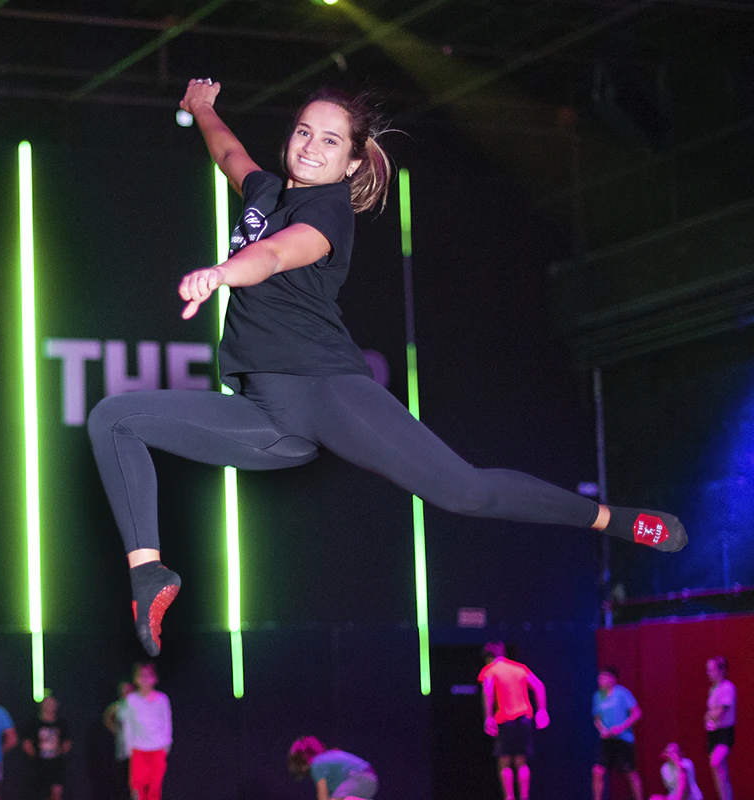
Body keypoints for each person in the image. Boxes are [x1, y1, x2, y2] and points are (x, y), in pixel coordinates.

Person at [86, 77, 688, 657]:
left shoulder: (327, 215)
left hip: (328, 392)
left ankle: (614, 519)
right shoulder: (266, 193)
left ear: (351, 162)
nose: (311, 146)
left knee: (467, 493)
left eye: (329, 140)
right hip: (266, 416)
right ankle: (149, 575)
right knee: (114, 419)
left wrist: (221, 272)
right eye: (303, 132)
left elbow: (272, 256)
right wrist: (203, 106)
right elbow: (229, 152)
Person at [478, 642, 549, 800]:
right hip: (524, 718)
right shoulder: (519, 668)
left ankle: (509, 797)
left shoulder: (490, 670)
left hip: (505, 718)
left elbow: (488, 691)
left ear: (488, 658)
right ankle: (524, 797)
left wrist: (488, 716)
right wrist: (542, 710)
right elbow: (538, 685)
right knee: (521, 761)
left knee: (504, 762)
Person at [592, 666, 644, 800]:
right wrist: (602, 729)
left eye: (604, 677)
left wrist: (621, 728)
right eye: (600, 677)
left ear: (612, 679)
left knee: (630, 772)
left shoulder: (622, 693)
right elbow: (597, 718)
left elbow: (637, 713)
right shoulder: (598, 696)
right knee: (598, 771)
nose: (601, 680)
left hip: (623, 740)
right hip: (607, 741)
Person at [123, 662, 172, 800]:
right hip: (139, 750)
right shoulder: (131, 700)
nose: (145, 679)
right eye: (141, 675)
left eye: (148, 675)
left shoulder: (162, 699)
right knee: (137, 790)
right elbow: (128, 725)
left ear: (155, 678)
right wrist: (129, 748)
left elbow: (167, 723)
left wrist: (166, 744)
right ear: (136, 678)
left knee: (154, 791)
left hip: (157, 749)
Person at [288, 736, 378, 800]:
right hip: (369, 779)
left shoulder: (317, 764)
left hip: (359, 777)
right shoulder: (327, 761)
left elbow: (322, 796)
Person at [22, 695, 72, 800]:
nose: (49, 706)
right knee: (40, 792)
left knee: (57, 791)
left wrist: (60, 751)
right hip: (39, 764)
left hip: (56, 764)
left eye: (52, 703)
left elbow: (67, 742)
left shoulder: (61, 723)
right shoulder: (34, 722)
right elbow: (26, 742)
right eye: (47, 703)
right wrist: (35, 756)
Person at [704, 656, 735, 800]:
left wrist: (711, 714)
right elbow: (712, 712)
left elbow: (720, 711)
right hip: (713, 733)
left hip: (724, 732)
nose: (709, 673)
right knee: (719, 774)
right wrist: (710, 714)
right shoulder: (713, 689)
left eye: (711, 670)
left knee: (716, 761)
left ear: (721, 670)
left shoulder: (727, 687)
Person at [103, 680, 134, 799]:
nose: (125, 692)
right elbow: (106, 717)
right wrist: (116, 731)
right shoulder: (119, 705)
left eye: (127, 689)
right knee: (124, 782)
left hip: (138, 750)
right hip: (123, 751)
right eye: (123, 689)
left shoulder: (138, 704)